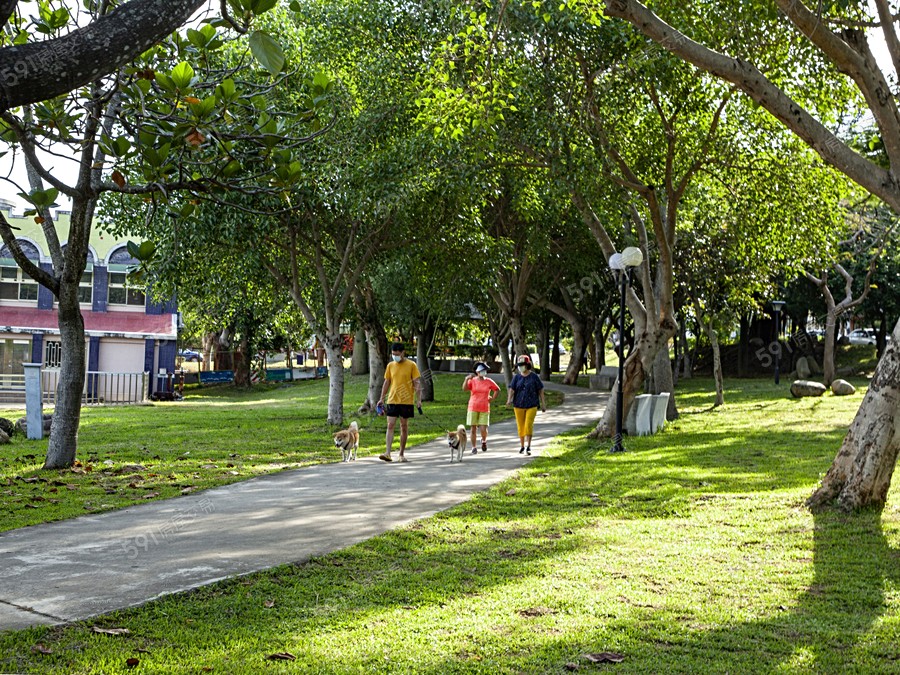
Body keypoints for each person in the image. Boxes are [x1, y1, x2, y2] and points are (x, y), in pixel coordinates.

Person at [377, 342, 422, 463]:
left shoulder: (412, 365)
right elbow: (387, 382)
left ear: (403, 353)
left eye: (397, 354)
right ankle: (387, 452)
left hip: (406, 401)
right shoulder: (390, 365)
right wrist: (381, 398)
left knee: (403, 426)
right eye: (393, 354)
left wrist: (419, 400)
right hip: (392, 400)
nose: (395, 356)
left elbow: (417, 383)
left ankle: (401, 454)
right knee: (390, 425)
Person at [505, 354, 546, 455]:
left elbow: (540, 390)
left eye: (522, 365)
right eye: (519, 365)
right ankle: (522, 446)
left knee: (528, 425)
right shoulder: (517, 377)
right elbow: (512, 389)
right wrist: (509, 399)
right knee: (521, 426)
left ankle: (529, 446)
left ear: (527, 365)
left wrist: (543, 403)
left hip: (532, 404)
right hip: (518, 405)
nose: (520, 367)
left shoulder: (534, 377)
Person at [463, 361, 500, 454]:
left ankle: (483, 441)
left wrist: (492, 398)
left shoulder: (488, 381)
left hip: (484, 407)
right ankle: (474, 447)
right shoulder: (473, 380)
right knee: (473, 428)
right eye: (481, 371)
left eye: (484, 371)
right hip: (473, 406)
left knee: (483, 428)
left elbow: (497, 389)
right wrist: (466, 379)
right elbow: (465, 388)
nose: (483, 372)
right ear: (477, 372)